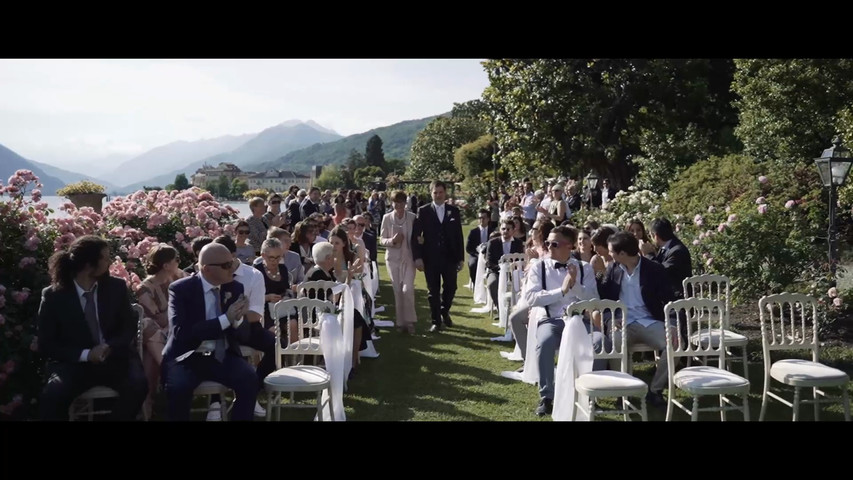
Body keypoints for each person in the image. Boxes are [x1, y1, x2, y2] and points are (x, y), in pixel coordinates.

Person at [38, 235, 148, 420]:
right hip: (75, 364)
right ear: (89, 264)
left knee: (138, 386)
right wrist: (86, 354)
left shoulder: (116, 287)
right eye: (105, 257)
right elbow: (47, 344)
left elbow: (128, 326)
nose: (110, 261)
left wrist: (109, 347)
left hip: (115, 358)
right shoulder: (54, 296)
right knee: (53, 396)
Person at [161, 243, 256, 421]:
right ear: (206, 269)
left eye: (233, 263)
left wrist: (238, 319)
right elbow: (182, 332)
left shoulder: (235, 288)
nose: (232, 269)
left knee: (249, 378)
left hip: (222, 355)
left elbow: (244, 336)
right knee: (178, 389)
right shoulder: (180, 290)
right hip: (187, 356)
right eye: (227, 265)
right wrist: (225, 319)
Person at [524, 226, 598, 416]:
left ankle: (589, 393)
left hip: (580, 321)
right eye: (547, 243)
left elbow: (594, 299)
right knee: (545, 342)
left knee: (599, 342)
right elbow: (532, 298)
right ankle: (547, 396)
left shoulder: (585, 267)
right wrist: (562, 291)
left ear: (569, 246)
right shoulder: (539, 267)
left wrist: (576, 286)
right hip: (551, 320)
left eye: (554, 244)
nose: (549, 247)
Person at [599, 231, 677, 408]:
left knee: (675, 344)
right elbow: (604, 300)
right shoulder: (613, 268)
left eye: (611, 251)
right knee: (616, 342)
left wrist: (672, 324)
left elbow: (671, 299)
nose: (608, 254)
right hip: (623, 322)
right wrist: (609, 319)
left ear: (623, 254)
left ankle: (655, 390)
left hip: (650, 321)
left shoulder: (654, 269)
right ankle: (623, 391)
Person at [137, 243, 186, 419]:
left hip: (171, 332)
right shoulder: (145, 288)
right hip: (160, 333)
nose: (179, 263)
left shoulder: (180, 278)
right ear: (166, 265)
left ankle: (148, 401)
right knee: (149, 327)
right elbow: (156, 319)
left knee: (150, 355)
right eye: (177, 260)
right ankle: (171, 370)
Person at [412, 180, 464, 333]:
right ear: (431, 193)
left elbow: (459, 235)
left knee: (451, 287)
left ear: (445, 193)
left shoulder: (453, 211)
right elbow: (416, 236)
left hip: (450, 257)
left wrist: (460, 258)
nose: (438, 195)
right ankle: (436, 321)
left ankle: (444, 310)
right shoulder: (423, 211)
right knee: (433, 291)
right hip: (431, 257)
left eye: (441, 192)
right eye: (435, 192)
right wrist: (418, 257)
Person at [380, 190, 418, 334]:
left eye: (401, 201)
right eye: (396, 202)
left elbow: (417, 236)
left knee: (407, 290)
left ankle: (410, 322)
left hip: (408, 259)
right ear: (392, 202)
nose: (399, 205)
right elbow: (382, 239)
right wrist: (392, 240)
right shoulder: (387, 218)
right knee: (397, 291)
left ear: (405, 202)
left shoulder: (412, 217)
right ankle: (400, 323)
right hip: (392, 259)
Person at [642, 218, 692, 300]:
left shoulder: (677, 250)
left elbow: (660, 271)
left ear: (656, 236)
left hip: (679, 300)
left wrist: (649, 254)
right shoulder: (665, 248)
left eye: (650, 235)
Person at [485, 218, 525, 311]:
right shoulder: (492, 242)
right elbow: (489, 262)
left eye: (508, 229)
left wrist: (512, 269)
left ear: (513, 230)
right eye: (503, 229)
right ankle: (500, 309)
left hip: (514, 272)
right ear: (500, 229)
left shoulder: (518, 243)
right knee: (492, 283)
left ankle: (517, 308)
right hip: (495, 271)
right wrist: (501, 269)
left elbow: (521, 260)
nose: (505, 231)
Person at [466, 209, 493, 286]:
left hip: (489, 255)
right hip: (476, 255)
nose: (481, 220)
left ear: (488, 219)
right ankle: (476, 284)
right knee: (472, 264)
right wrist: (478, 254)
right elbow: (468, 248)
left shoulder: (492, 231)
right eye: (480, 218)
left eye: (483, 218)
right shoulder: (473, 232)